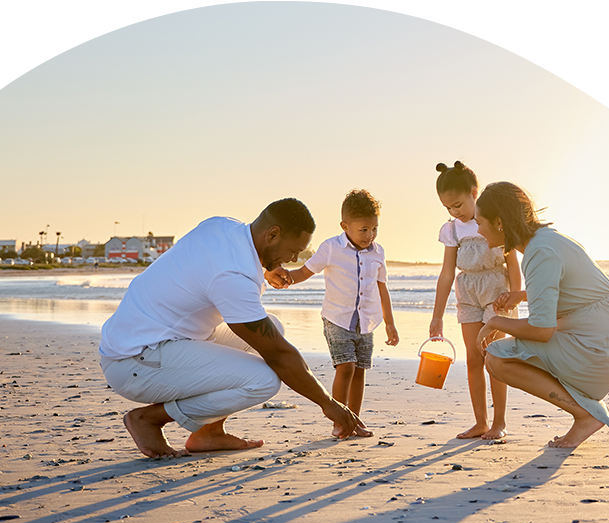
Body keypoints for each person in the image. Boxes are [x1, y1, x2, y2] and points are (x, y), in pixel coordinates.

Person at [99, 198, 363, 459]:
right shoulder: (233, 277)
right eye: (294, 251)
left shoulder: (222, 226)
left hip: (151, 338)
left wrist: (263, 269)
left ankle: (209, 433)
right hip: (133, 361)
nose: (294, 259)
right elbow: (280, 356)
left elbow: (200, 266)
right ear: (272, 235)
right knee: (264, 380)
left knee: (274, 327)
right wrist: (328, 404)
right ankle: (149, 419)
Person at [475, 182, 609, 448]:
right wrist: (523, 295)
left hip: (603, 348)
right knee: (504, 354)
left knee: (496, 357)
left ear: (498, 222)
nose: (478, 230)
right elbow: (571, 290)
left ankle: (585, 415)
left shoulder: (540, 252)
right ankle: (585, 412)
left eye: (479, 222)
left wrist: (495, 321)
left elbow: (541, 331)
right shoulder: (547, 241)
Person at [265, 190, 398, 438]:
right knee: (345, 367)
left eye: (374, 229)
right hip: (337, 319)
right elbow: (306, 271)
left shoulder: (378, 252)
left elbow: (382, 287)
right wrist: (286, 278)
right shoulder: (331, 248)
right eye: (363, 230)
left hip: (366, 322)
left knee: (359, 371)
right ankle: (340, 419)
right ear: (345, 226)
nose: (369, 235)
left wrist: (390, 323)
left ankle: (354, 420)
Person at [428, 162, 522, 440]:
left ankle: (499, 423)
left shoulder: (495, 220)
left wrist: (514, 297)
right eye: (448, 208)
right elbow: (446, 274)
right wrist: (437, 316)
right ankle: (480, 422)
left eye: (458, 205)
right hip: (467, 292)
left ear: (474, 193)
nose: (454, 212)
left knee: (495, 356)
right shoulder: (452, 230)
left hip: (496, 291)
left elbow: (513, 265)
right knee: (473, 358)